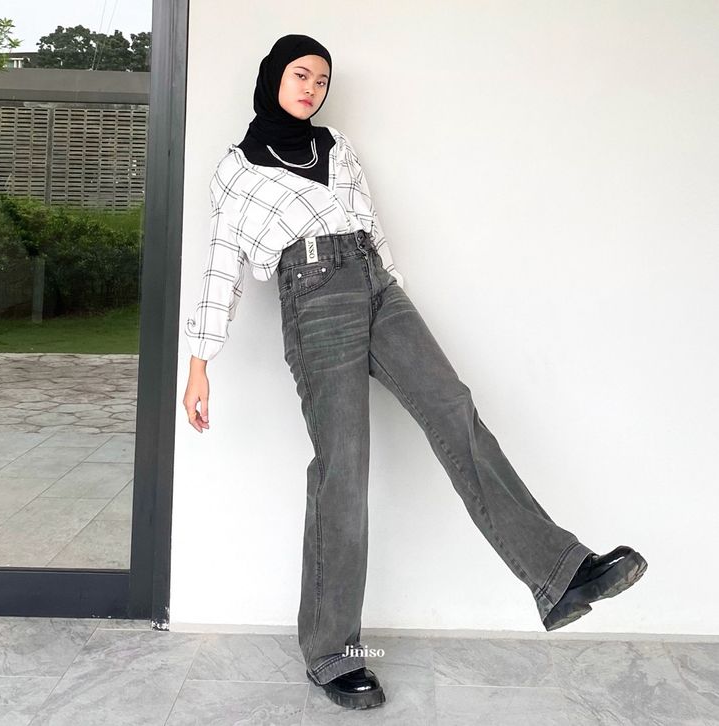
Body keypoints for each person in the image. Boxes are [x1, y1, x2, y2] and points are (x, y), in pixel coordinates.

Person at [182, 34, 648, 711]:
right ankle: (332, 651)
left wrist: (391, 291)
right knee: (344, 467)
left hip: (376, 286)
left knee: (454, 408)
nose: (311, 88)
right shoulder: (237, 169)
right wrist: (200, 362)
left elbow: (372, 228)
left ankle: (560, 574)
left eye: (321, 80)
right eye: (300, 74)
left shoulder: (337, 148)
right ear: (273, 78)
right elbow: (221, 266)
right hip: (313, 298)